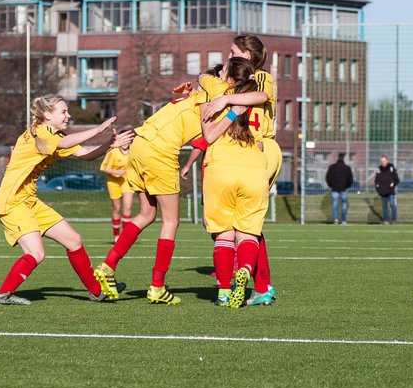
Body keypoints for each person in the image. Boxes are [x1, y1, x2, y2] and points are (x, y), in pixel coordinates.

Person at [0, 97, 133, 305]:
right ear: (47, 115)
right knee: (36, 253)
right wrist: (97, 129)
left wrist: (109, 145)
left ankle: (96, 292)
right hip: (13, 202)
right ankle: (3, 294)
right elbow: (66, 143)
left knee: (74, 241)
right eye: (64, 112)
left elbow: (85, 154)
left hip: (30, 200)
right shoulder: (39, 132)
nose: (69, 115)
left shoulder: (55, 136)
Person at [180, 34, 281, 305]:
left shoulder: (257, 79)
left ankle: (249, 283)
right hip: (249, 151)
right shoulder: (234, 83)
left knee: (237, 223)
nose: (228, 55)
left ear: (246, 56)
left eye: (232, 51)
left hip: (257, 148)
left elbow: (262, 94)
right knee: (248, 222)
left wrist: (222, 99)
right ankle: (255, 280)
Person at [94, 86, 212, 305]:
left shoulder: (197, 94)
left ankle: (108, 265)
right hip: (160, 151)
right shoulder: (215, 97)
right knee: (171, 220)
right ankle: (157, 286)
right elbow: (210, 134)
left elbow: (202, 82)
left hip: (140, 143)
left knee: (147, 214)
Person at [198, 57, 270, 307]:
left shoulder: (214, 91)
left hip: (221, 169)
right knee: (249, 231)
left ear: (226, 76)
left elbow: (209, 135)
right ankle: (247, 269)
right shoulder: (256, 95)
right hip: (254, 168)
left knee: (224, 234)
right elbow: (262, 96)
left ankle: (224, 292)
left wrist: (226, 104)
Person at [99, 140, 133, 241]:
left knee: (127, 206)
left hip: (127, 181)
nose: (125, 142)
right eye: (123, 140)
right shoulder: (113, 151)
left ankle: (126, 237)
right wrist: (116, 171)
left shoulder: (134, 151)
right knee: (117, 208)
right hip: (113, 182)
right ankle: (116, 235)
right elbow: (103, 168)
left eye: (127, 140)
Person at [326, 153, 354, 224]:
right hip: (344, 189)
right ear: (344, 158)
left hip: (334, 188)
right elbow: (350, 179)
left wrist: (331, 185)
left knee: (335, 204)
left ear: (337, 158)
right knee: (344, 204)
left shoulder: (332, 167)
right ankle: (343, 220)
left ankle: (336, 219)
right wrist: (347, 186)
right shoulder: (347, 168)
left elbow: (327, 178)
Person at [374, 156, 400, 224]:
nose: (383, 162)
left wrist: (392, 185)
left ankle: (394, 220)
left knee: (392, 205)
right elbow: (376, 181)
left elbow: (397, 179)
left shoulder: (391, 168)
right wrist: (378, 190)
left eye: (384, 161)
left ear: (387, 160)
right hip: (383, 192)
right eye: (382, 161)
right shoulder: (379, 169)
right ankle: (386, 220)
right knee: (384, 207)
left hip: (390, 191)